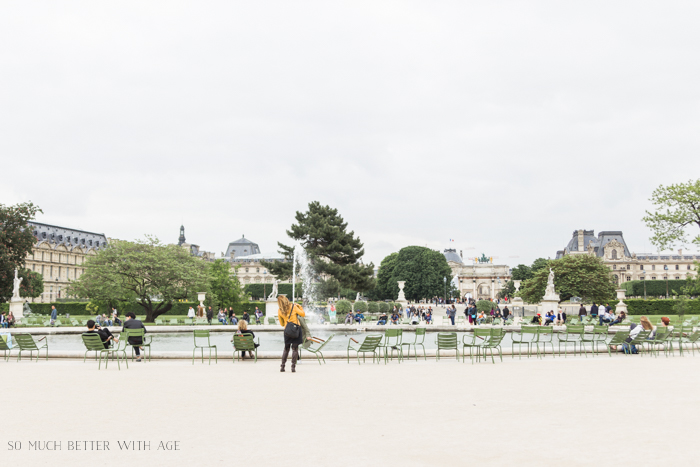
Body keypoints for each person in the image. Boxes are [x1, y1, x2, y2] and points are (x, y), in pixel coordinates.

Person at [277, 295, 305, 372]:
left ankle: (282, 367)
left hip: (287, 330)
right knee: (295, 349)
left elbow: (282, 324)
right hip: (296, 329)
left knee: (286, 349)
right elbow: (302, 314)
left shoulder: (280, 310)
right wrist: (299, 306)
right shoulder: (294, 307)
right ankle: (293, 367)